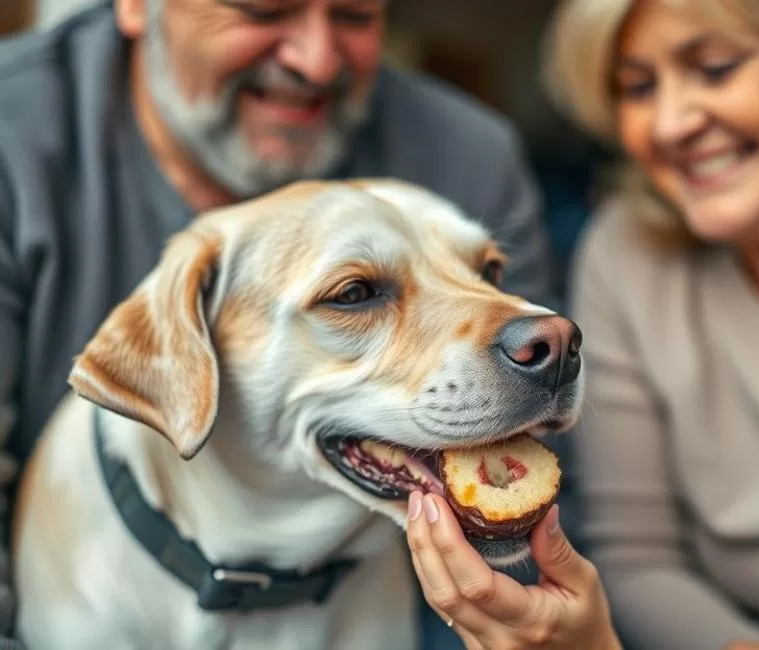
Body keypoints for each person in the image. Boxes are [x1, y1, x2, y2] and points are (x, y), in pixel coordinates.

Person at [406, 0, 759, 649]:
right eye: (638, 88)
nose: (670, 123)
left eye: (715, 68)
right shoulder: (627, 254)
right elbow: (640, 563)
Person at [0, 0, 559, 646]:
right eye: (263, 8)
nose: (317, 60)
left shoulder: (470, 157)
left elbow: (556, 521)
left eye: (354, 14)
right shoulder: (13, 134)